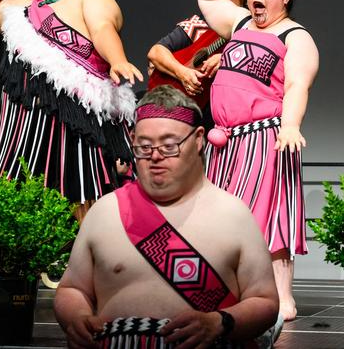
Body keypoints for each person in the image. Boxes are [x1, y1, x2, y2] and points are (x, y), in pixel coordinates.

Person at [54, 85, 279, 348]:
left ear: (197, 140)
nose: (156, 157)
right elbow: (72, 289)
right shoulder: (106, 211)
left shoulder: (234, 215)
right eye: (144, 147)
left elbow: (265, 301)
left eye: (170, 145)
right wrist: (77, 317)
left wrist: (219, 322)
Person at [0, 0, 140, 218]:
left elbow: (102, 28)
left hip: (73, 119)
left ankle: (88, 254)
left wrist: (117, 59)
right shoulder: (25, 5)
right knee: (24, 197)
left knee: (80, 190)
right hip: (24, 126)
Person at [198, 0, 319, 321]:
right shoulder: (238, 23)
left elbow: (298, 86)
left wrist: (291, 126)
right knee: (221, 220)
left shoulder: (295, 37)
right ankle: (228, 292)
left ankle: (283, 297)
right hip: (225, 142)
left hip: (266, 138)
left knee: (270, 219)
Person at [147, 0, 252, 130]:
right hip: (170, 104)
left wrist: (226, 59)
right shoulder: (198, 24)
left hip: (218, 117)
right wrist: (182, 73)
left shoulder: (250, 30)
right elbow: (156, 52)